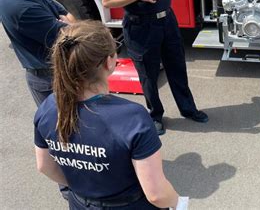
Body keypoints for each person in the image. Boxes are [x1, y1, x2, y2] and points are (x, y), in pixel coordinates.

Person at [34, 20, 186, 209]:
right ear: (109, 62)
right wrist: (179, 203)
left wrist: (85, 188)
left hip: (80, 203)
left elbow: (45, 166)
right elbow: (156, 194)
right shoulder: (132, 117)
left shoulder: (48, 107)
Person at [102, 0, 208, 135]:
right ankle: (155, 115)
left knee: (177, 67)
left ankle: (188, 109)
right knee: (148, 75)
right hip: (140, 27)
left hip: (167, 22)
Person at [1, 0, 76, 107]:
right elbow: (68, 36)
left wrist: (66, 23)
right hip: (49, 80)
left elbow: (66, 12)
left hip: (56, 74)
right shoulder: (20, 5)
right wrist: (66, 24)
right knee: (63, 130)